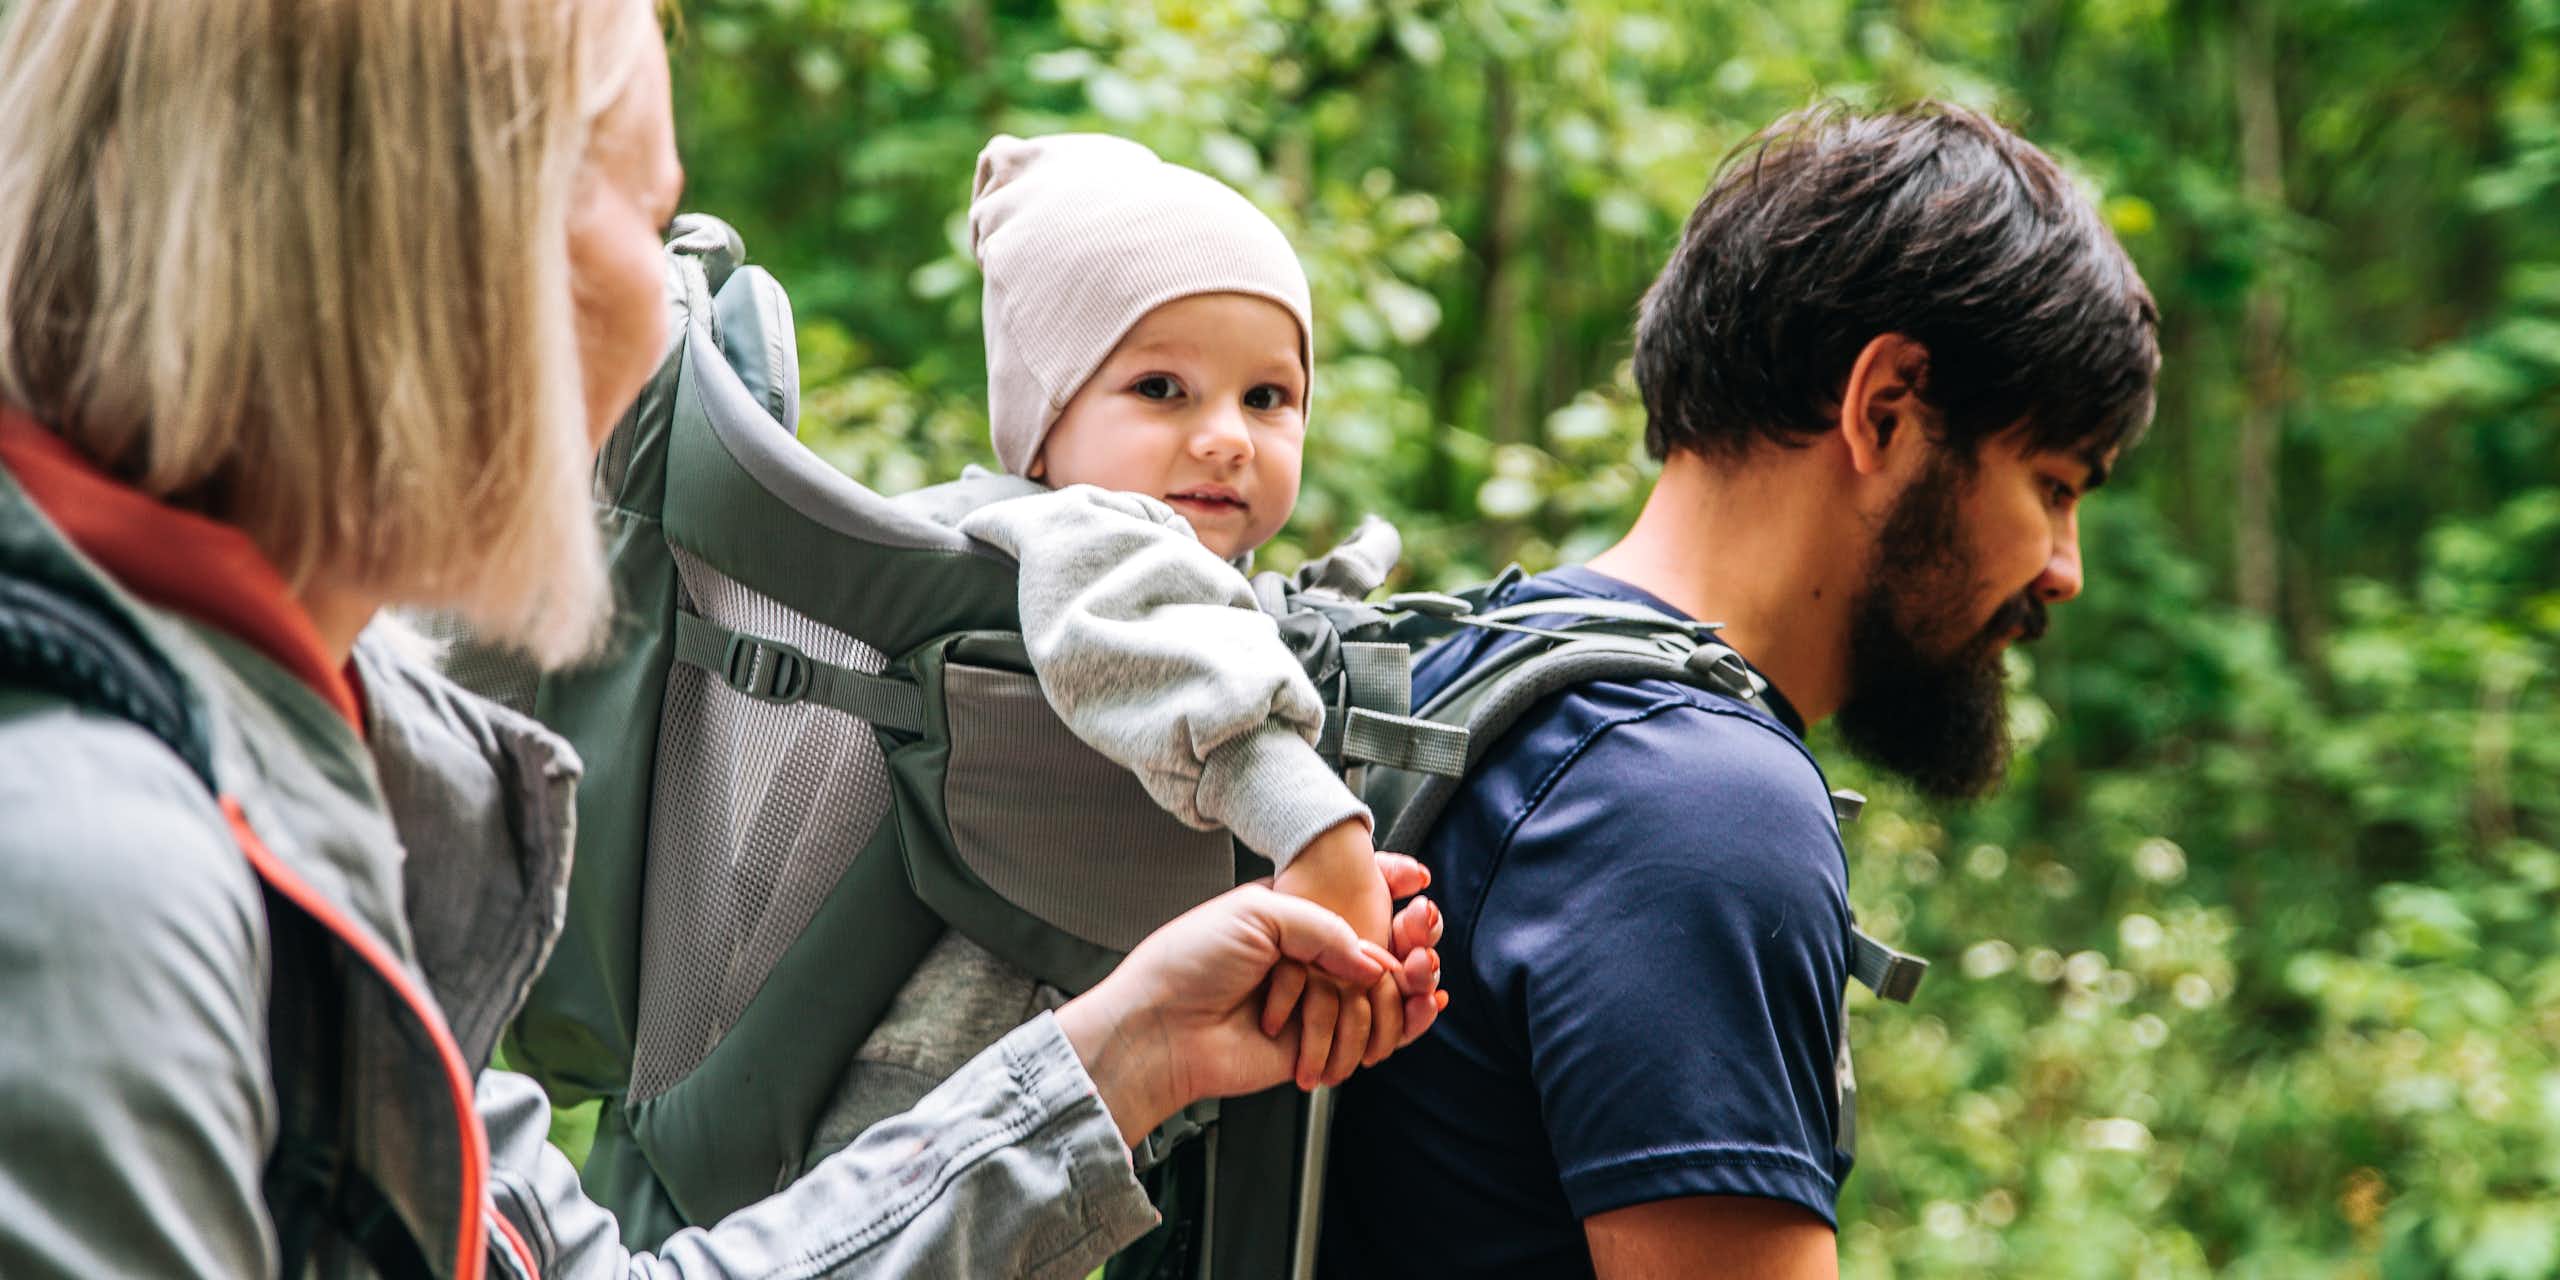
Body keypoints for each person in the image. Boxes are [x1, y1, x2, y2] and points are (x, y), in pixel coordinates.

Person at [0, 2, 1443, 1277]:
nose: (675, 318)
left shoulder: (292, 769)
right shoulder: (100, 880)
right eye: (647, 222)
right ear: (417, 254)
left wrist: (1123, 1053)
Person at [1322, 103, 2162, 1278]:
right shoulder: (1699, 798)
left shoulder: (1466, 668)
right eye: (2055, 483)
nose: (2062, 570)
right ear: (1886, 409)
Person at [824, 131, 1416, 1139]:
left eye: (1266, 396)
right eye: (1161, 388)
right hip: (935, 1080)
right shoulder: (1083, 533)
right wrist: (1318, 832)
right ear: (1043, 422)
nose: (1228, 433)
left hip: (999, 1082)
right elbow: (1158, 644)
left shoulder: (1059, 531)